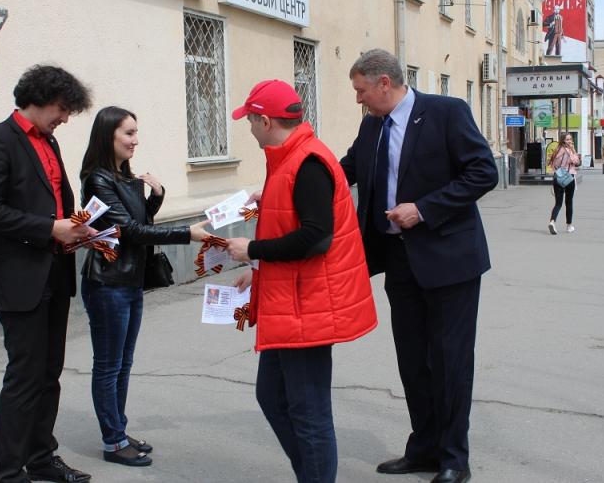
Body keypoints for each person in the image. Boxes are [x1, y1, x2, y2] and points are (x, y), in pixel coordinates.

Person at [340, 49, 498, 483]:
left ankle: (453, 459)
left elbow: (483, 172)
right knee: (413, 361)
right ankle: (424, 448)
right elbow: (344, 172)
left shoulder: (447, 112)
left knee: (449, 361)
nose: (359, 100)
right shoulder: (372, 124)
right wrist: (292, 185)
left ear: (384, 83)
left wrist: (424, 209)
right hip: (399, 261)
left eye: (361, 91)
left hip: (450, 261)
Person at [225, 79, 377, 483]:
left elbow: (316, 237)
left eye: (250, 121)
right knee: (272, 397)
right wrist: (258, 265)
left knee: (309, 414)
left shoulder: (306, 162)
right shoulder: (290, 158)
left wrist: (253, 253)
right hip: (290, 303)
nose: (250, 128)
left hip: (307, 307)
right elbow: (293, 221)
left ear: (265, 120)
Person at [0, 65, 94, 483]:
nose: (65, 117)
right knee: (24, 377)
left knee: (49, 374)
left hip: (54, 272)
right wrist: (48, 229)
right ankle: (9, 472)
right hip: (19, 278)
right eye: (62, 108)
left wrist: (71, 232)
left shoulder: (50, 141)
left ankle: (42, 458)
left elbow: (53, 203)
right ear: (39, 98)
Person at [79, 106, 210, 466]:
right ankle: (113, 441)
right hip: (107, 284)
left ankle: (118, 430)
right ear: (109, 136)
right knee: (108, 365)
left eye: (136, 133)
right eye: (129, 133)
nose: (136, 140)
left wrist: (154, 196)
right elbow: (130, 232)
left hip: (130, 281)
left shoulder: (125, 178)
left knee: (123, 363)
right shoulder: (98, 179)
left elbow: (140, 221)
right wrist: (187, 233)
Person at [547, 132, 581, 235]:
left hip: (558, 177)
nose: (570, 141)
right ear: (563, 140)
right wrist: (573, 150)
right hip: (568, 178)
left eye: (570, 139)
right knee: (569, 202)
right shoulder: (568, 151)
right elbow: (577, 162)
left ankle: (552, 222)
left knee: (558, 203)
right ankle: (569, 226)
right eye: (567, 140)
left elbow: (553, 164)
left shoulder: (557, 150)